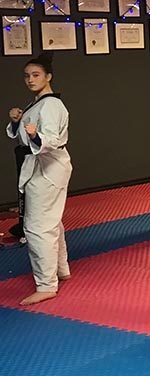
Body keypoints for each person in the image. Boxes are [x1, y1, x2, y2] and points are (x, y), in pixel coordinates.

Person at [6, 52, 72, 306]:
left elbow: (51, 139)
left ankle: (46, 285)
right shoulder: (39, 103)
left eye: (36, 75)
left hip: (47, 168)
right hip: (45, 167)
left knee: (36, 226)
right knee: (51, 220)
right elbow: (24, 134)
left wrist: (35, 136)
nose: (30, 80)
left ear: (48, 77)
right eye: (27, 76)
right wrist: (17, 122)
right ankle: (61, 269)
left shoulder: (51, 105)